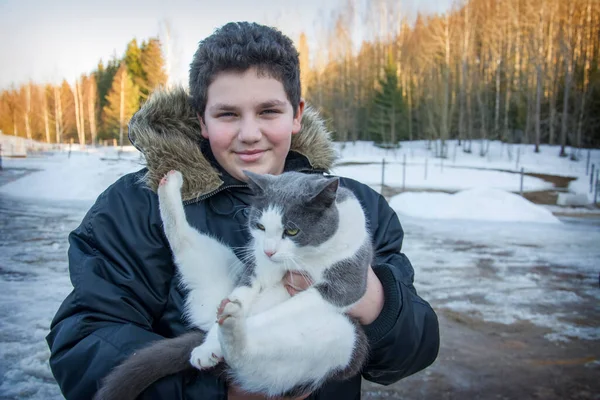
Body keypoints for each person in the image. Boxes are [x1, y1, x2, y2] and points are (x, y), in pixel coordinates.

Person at [46, 21, 440, 400]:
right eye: (228, 114)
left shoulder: (355, 208)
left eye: (268, 111)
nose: (249, 134)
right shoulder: (136, 204)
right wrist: (218, 391)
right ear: (202, 120)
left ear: (296, 114)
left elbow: (414, 350)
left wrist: (373, 298)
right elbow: (83, 340)